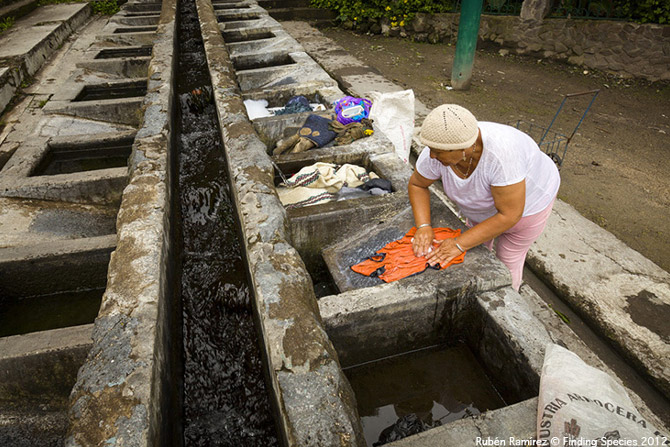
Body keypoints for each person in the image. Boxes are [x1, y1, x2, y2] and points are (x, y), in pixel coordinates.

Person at [408, 104, 560, 291]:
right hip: (486, 207)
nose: (432, 155)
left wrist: (459, 243)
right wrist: (423, 226)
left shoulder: (502, 156)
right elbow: (417, 184)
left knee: (507, 259)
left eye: (438, 152)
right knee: (475, 250)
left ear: (465, 148)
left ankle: (507, 303)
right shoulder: (440, 148)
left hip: (529, 204)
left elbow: (510, 215)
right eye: (430, 149)